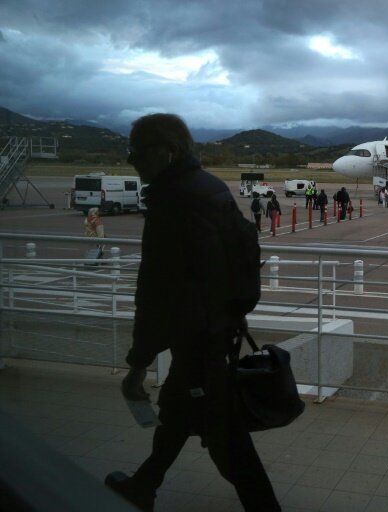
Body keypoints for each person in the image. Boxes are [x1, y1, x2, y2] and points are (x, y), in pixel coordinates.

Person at [105, 113, 281, 512]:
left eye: (138, 151)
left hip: (196, 337)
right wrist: (236, 312)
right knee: (178, 412)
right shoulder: (211, 187)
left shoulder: (173, 202)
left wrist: (138, 364)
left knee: (225, 438)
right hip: (217, 330)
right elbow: (241, 258)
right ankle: (143, 485)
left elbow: (155, 290)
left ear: (167, 152)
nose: (133, 160)